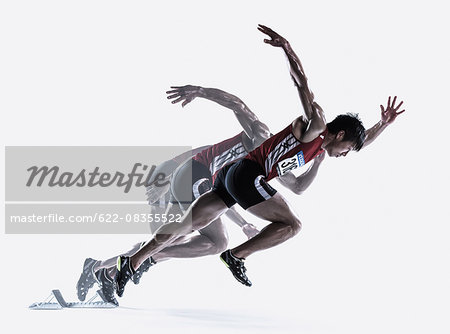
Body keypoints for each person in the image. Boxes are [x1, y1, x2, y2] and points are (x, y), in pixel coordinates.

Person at [114, 25, 405, 294]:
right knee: (292, 226)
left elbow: (317, 174)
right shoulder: (317, 125)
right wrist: (288, 49)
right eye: (347, 149)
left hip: (230, 175)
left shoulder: (318, 151)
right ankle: (236, 256)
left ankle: (132, 261)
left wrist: (383, 126)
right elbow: (302, 85)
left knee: (186, 226)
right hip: (247, 176)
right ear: (340, 135)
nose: (344, 156)